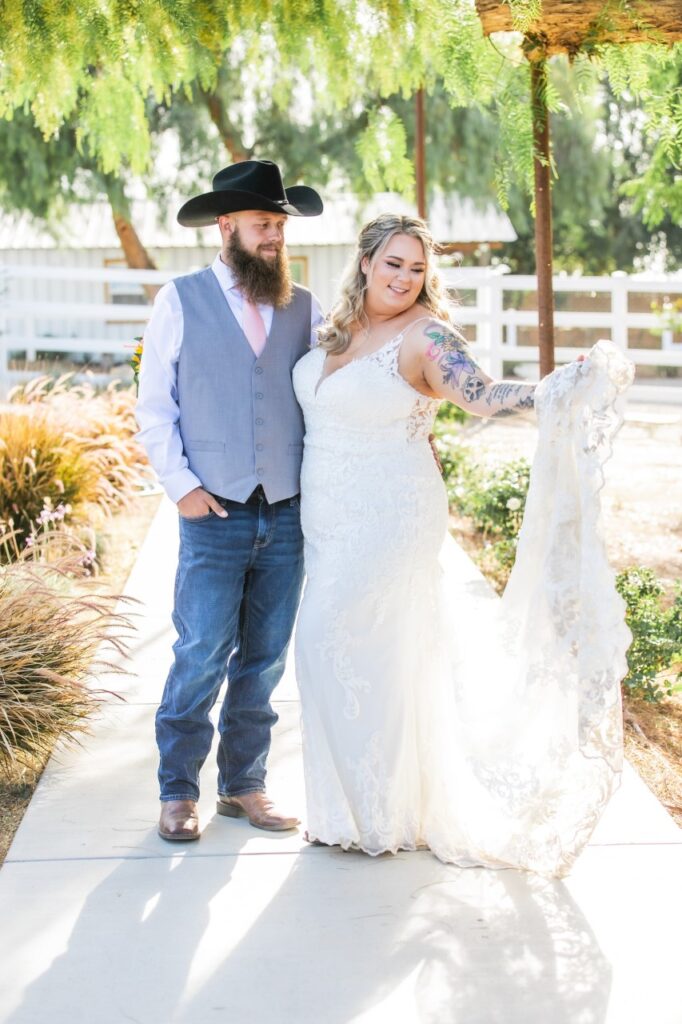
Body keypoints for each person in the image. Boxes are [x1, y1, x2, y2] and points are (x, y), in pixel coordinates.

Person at [292, 213, 632, 877]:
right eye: (393, 263)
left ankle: (382, 816)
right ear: (365, 262)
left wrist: (552, 390)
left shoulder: (427, 336)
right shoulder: (338, 330)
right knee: (370, 657)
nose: (404, 277)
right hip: (327, 519)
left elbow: (479, 394)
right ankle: (350, 814)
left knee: (325, 636)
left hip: (390, 515)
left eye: (416, 268)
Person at [136, 160, 324, 841]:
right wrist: (181, 486)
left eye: (278, 225)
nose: (274, 237)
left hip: (287, 509)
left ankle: (245, 785)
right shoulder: (178, 299)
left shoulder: (305, 305)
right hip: (212, 511)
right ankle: (177, 790)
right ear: (227, 227)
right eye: (263, 224)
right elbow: (155, 406)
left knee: (266, 658)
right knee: (201, 652)